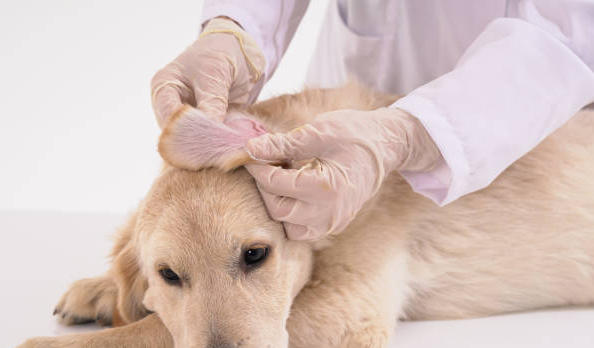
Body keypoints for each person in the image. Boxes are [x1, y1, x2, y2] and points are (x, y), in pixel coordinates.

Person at [151, 0, 594, 241]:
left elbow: (565, 39)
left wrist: (404, 135)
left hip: (514, 129)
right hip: (346, 95)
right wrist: (234, 26)